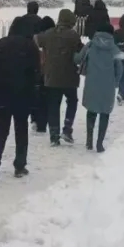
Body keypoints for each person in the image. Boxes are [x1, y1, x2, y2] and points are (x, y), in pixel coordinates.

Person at [0, 17, 41, 181]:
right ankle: (19, 165)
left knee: (1, 129)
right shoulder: (30, 46)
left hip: (2, 94)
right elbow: (35, 74)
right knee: (21, 129)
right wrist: (34, 96)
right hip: (22, 94)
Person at [75, 23, 124, 152]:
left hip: (92, 83)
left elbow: (79, 59)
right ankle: (99, 143)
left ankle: (89, 140)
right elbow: (119, 68)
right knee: (104, 113)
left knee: (91, 111)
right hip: (107, 86)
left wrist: (71, 55)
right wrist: (116, 83)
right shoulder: (114, 49)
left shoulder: (90, 45)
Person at [37, 9, 84, 145]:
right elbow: (80, 51)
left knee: (53, 104)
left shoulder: (48, 34)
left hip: (51, 75)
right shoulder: (73, 36)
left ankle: (54, 135)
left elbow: (36, 40)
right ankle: (67, 128)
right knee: (72, 101)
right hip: (69, 75)